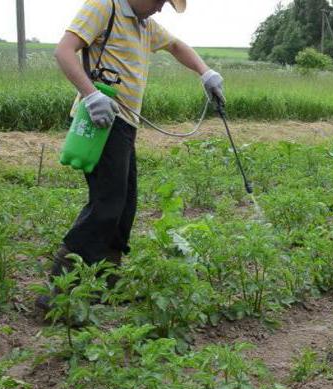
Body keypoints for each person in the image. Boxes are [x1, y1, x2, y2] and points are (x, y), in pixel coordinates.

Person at [36, 0, 225, 311]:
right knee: (107, 204)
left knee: (125, 205)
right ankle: (58, 291)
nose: (161, 8)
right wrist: (91, 93)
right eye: (159, 1)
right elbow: (64, 51)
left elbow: (176, 45)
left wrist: (205, 72)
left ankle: (107, 283)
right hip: (100, 122)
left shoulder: (144, 24)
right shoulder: (103, 6)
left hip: (124, 125)